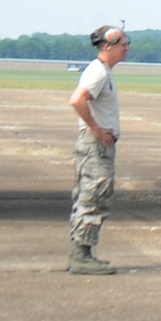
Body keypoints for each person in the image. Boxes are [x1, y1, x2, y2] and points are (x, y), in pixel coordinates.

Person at [66, 26, 129, 276]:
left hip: (97, 146)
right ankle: (81, 256)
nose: (127, 47)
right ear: (108, 45)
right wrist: (96, 129)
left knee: (90, 197)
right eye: (123, 43)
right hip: (96, 147)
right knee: (93, 197)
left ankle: (82, 253)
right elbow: (77, 99)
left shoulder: (102, 71)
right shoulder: (98, 72)